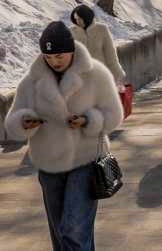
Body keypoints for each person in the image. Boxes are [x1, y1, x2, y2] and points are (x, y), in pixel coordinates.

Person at [5, 22, 124, 250]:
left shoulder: (95, 74)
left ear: (71, 50)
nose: (54, 61)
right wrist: (24, 121)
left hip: (86, 160)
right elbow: (12, 120)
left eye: (59, 55)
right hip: (49, 164)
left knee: (74, 231)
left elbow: (114, 114)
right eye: (48, 57)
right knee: (61, 233)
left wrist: (88, 120)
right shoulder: (32, 81)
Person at [69, 4, 126, 87]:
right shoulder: (71, 31)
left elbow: (111, 55)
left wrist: (117, 75)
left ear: (86, 17)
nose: (77, 21)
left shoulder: (102, 29)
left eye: (80, 19)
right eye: (76, 19)